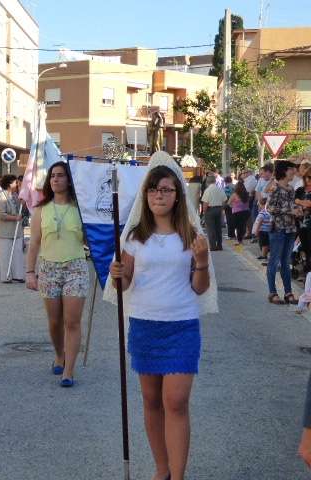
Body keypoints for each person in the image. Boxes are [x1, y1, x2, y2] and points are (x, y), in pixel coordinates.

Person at [107, 153, 216, 480]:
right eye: (153, 189)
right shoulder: (133, 237)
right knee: (152, 401)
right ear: (145, 194)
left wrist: (202, 261)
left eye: (166, 190)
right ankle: (162, 469)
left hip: (182, 325)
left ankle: (178, 476)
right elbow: (125, 284)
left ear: (177, 195)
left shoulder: (192, 237)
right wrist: (117, 274)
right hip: (144, 324)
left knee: (176, 401)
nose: (159, 195)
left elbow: (200, 288)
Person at [25, 162, 88, 387]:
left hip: (76, 267)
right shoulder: (41, 210)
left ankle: (68, 371)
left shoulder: (81, 209)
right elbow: (34, 243)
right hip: (49, 268)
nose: (55, 179)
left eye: (60, 175)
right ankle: (59, 354)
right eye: (52, 176)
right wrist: (30, 272)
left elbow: (92, 238)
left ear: (69, 180)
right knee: (54, 321)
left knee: (72, 321)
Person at [266, 160, 299, 305]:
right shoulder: (275, 188)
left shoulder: (291, 189)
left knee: (286, 262)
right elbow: (269, 208)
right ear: (284, 171)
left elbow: (291, 206)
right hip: (278, 229)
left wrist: (298, 210)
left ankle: (288, 293)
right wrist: (290, 210)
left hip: (290, 229)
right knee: (274, 261)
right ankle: (272, 293)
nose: (294, 172)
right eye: (291, 169)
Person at [0, 175, 25, 283]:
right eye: (15, 183)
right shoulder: (1, 196)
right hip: (4, 232)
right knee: (5, 255)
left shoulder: (15, 195)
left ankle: (18, 275)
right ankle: (6, 276)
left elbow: (21, 209)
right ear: (9, 184)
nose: (17, 184)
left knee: (18, 253)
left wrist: (23, 203)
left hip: (16, 231)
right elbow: (1, 215)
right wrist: (15, 218)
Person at [201, 175, 226, 251]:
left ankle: (213, 246)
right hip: (218, 209)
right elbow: (224, 200)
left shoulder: (207, 190)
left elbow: (205, 203)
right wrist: (221, 208)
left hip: (210, 210)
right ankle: (219, 245)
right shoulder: (220, 189)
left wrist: (204, 212)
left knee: (210, 229)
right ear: (215, 181)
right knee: (218, 228)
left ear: (207, 182)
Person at [295, 172, 311, 274]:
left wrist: (299, 202)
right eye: (306, 177)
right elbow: (294, 200)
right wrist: (303, 204)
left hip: (309, 223)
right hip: (301, 223)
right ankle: (306, 272)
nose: (308, 179)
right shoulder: (300, 190)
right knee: (305, 248)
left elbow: (309, 203)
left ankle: (308, 272)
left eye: (310, 177)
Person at [228, 180, 251, 245]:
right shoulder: (246, 194)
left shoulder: (234, 195)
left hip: (237, 212)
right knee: (243, 225)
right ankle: (241, 240)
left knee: (238, 227)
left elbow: (229, 203)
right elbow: (248, 203)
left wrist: (233, 206)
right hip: (246, 212)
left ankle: (239, 240)